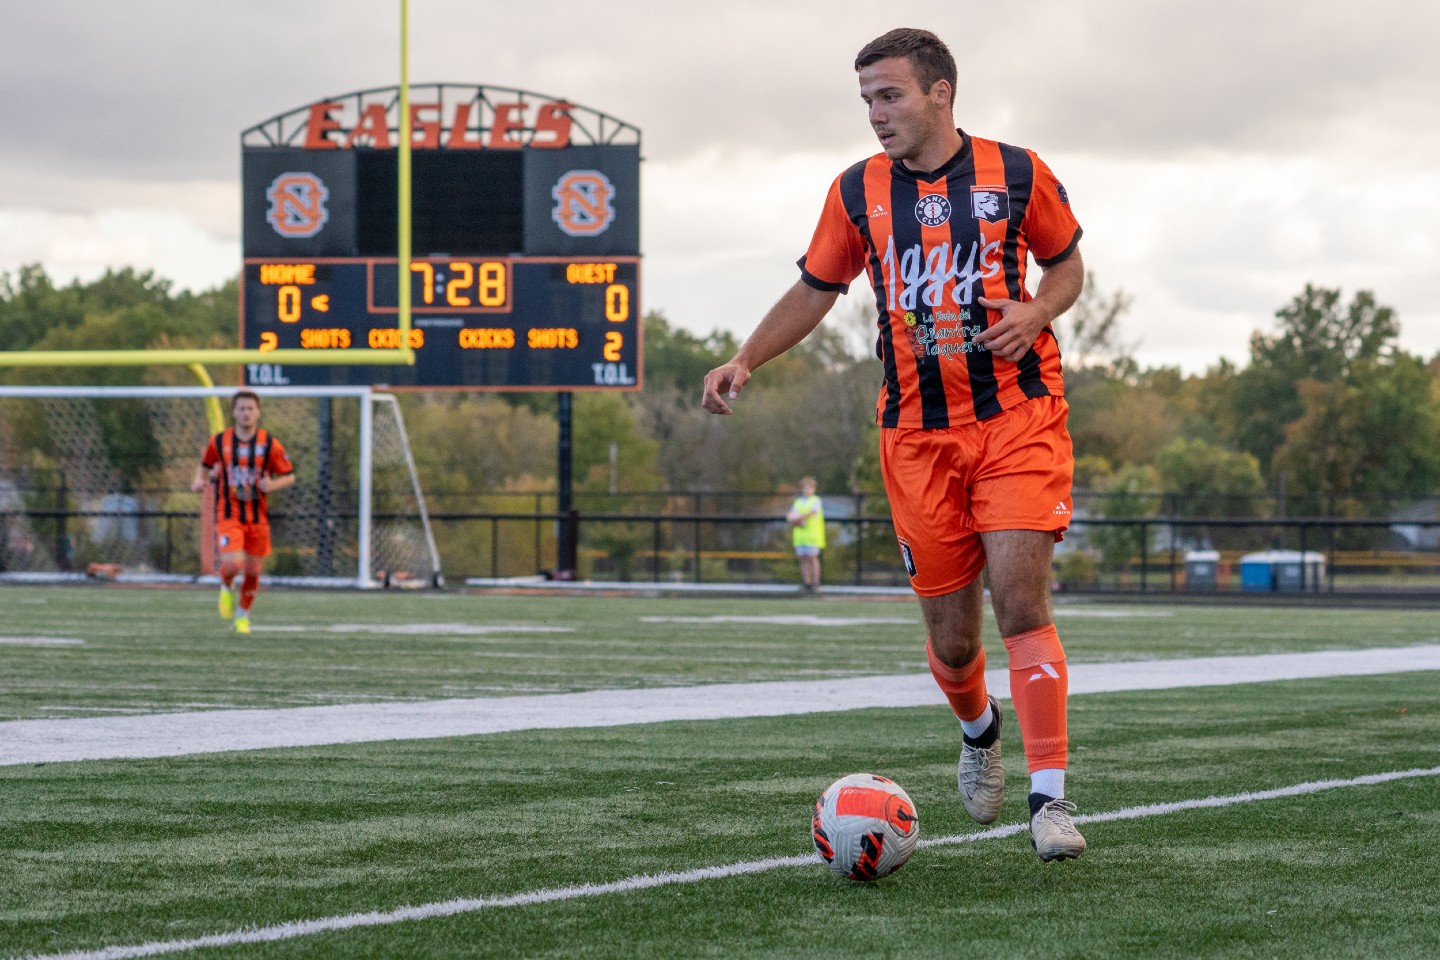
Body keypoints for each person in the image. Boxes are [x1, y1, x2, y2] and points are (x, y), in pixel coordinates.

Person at [702, 28, 1087, 862]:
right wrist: (744, 358)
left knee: (1022, 604)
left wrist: (1039, 311)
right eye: (867, 100)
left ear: (940, 92)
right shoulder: (856, 191)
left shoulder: (1017, 172)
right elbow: (816, 289)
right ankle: (979, 732)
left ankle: (1049, 800)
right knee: (953, 640)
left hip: (1019, 416)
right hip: (915, 434)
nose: (876, 115)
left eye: (891, 96)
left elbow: (1067, 267)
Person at [190, 391, 296, 634]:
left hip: (257, 519)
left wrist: (272, 485)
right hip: (229, 515)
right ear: (234, 412)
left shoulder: (270, 444)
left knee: (253, 571)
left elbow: (289, 476)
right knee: (232, 566)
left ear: (258, 412)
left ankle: (242, 616)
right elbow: (205, 464)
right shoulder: (220, 442)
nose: (246, 413)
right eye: (241, 408)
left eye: (250, 408)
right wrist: (199, 481)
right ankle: (226, 586)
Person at [787, 476, 826, 592]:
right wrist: (793, 519)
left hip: (812, 537)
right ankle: (806, 583)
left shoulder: (816, 501)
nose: (807, 490)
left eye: (810, 488)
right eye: (805, 488)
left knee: (813, 558)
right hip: (800, 537)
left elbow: (811, 513)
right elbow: (790, 516)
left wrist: (798, 517)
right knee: (803, 559)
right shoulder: (798, 502)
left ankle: (816, 583)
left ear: (814, 489)